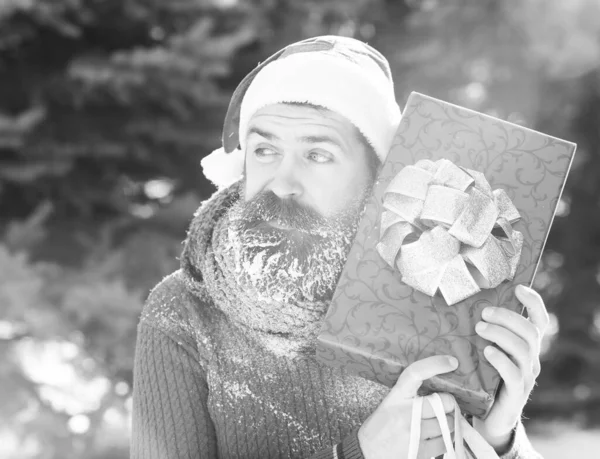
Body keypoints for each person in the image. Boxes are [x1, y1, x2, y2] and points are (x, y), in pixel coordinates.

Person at [131, 35, 548, 459]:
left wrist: (498, 440)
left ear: (376, 178)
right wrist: (358, 454)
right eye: (264, 149)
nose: (282, 183)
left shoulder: (433, 298)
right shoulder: (183, 313)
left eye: (318, 155)